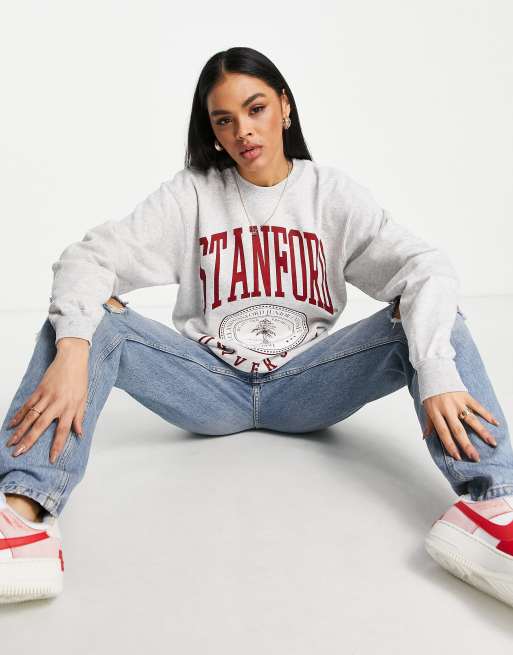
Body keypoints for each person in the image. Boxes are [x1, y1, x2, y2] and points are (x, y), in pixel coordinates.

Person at [1, 46, 512, 608]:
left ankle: (490, 510)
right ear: (212, 131)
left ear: (284, 107)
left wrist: (435, 369)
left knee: (434, 314)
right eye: (224, 120)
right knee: (80, 317)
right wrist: (75, 348)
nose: (242, 130)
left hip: (307, 385)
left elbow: (425, 268)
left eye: (256, 108)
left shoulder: (330, 195)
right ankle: (22, 517)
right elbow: (87, 259)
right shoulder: (193, 193)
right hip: (206, 387)